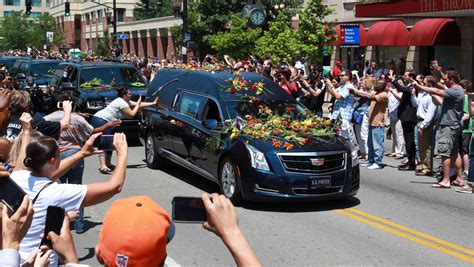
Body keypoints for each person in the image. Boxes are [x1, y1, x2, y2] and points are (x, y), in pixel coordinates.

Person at [10, 112, 130, 266]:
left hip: (12, 257)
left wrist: (82, 153)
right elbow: (114, 187)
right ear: (53, 160)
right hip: (39, 261)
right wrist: (122, 153)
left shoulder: (17, 177)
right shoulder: (55, 193)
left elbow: (23, 159)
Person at [44, 95, 121, 233]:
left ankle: (61, 222)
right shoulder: (78, 119)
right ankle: (79, 225)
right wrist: (107, 126)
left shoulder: (48, 119)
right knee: (77, 188)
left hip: (55, 157)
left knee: (58, 190)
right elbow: (92, 131)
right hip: (75, 154)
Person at [413, 70, 465, 188]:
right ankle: (459, 179)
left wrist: (420, 86)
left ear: (452, 80)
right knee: (454, 153)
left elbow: (437, 90)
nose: (444, 81)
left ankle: (446, 180)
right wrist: (432, 92)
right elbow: (439, 101)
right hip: (452, 125)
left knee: (444, 153)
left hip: (448, 126)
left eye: (446, 79)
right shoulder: (457, 91)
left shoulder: (455, 91)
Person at [91, 87, 158, 173]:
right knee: (105, 142)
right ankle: (103, 166)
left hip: (108, 121)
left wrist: (153, 103)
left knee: (109, 142)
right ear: (124, 95)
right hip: (101, 120)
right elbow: (131, 115)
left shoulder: (125, 101)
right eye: (129, 94)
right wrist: (138, 104)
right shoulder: (121, 103)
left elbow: (138, 104)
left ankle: (108, 164)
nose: (131, 95)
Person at [352, 79, 389, 169]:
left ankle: (378, 162)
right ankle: (371, 161)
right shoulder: (376, 93)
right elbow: (364, 94)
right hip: (371, 122)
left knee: (377, 144)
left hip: (378, 123)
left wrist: (356, 91)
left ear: (382, 86)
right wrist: (355, 91)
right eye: (375, 83)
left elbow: (368, 96)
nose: (375, 85)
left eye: (378, 84)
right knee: (370, 144)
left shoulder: (383, 95)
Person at [390, 70, 418, 171]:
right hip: (405, 117)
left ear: (410, 77)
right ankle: (410, 161)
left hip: (409, 117)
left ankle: (411, 164)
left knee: (410, 141)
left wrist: (393, 80)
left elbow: (402, 89)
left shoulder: (413, 85)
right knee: (408, 141)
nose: (404, 77)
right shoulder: (409, 85)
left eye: (405, 75)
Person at [413, 76, 438, 176]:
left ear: (430, 85)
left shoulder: (431, 97)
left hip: (425, 123)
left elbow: (430, 114)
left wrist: (423, 126)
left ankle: (427, 168)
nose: (422, 83)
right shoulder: (423, 95)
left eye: (424, 82)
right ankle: (424, 166)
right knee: (421, 146)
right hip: (419, 121)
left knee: (426, 146)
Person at [325, 70, 355, 140]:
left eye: (341, 75)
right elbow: (331, 91)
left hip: (343, 117)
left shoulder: (349, 87)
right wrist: (327, 82)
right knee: (338, 139)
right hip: (337, 116)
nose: (340, 77)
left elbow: (338, 97)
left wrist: (331, 85)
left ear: (347, 77)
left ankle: (351, 150)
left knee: (344, 139)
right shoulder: (342, 87)